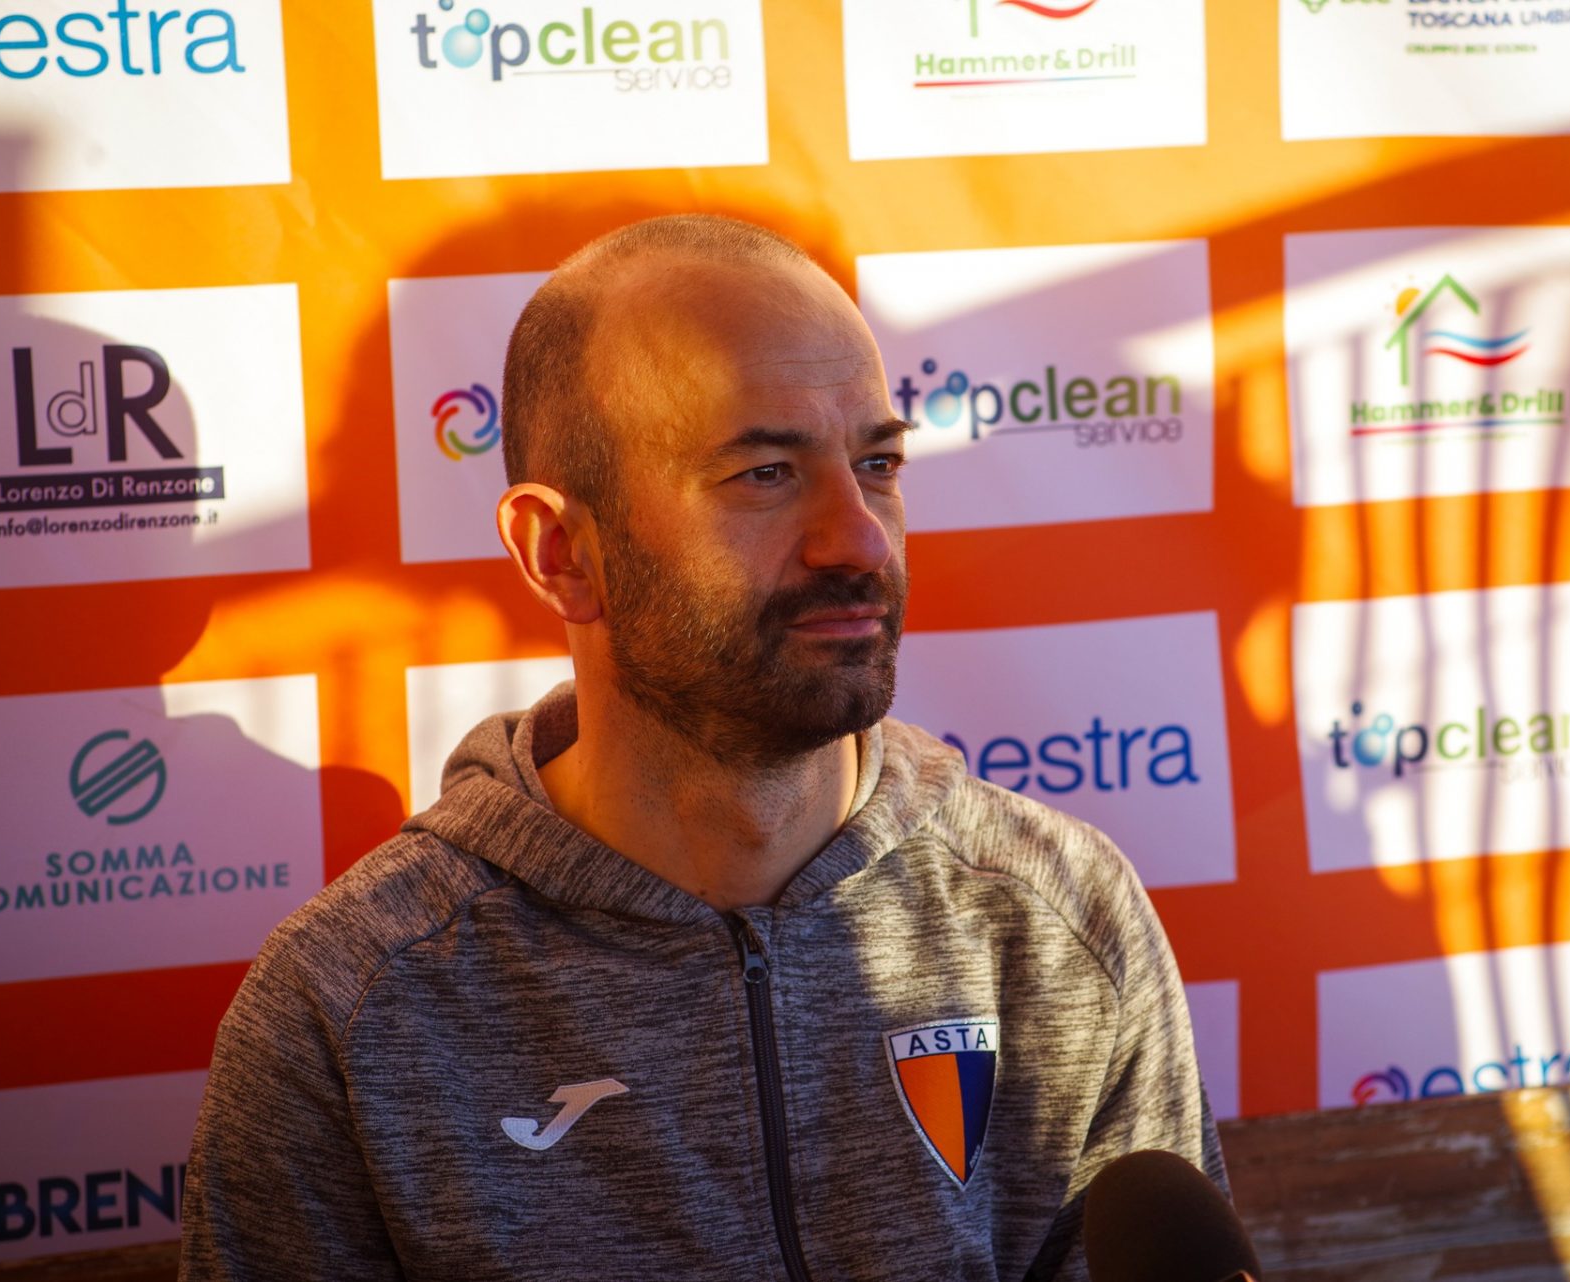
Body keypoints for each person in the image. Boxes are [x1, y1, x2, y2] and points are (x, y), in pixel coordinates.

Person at [181, 214, 1225, 1281]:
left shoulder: (1056, 915)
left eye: (877, 463)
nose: (861, 537)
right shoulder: (352, 1003)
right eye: (765, 473)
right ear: (561, 552)